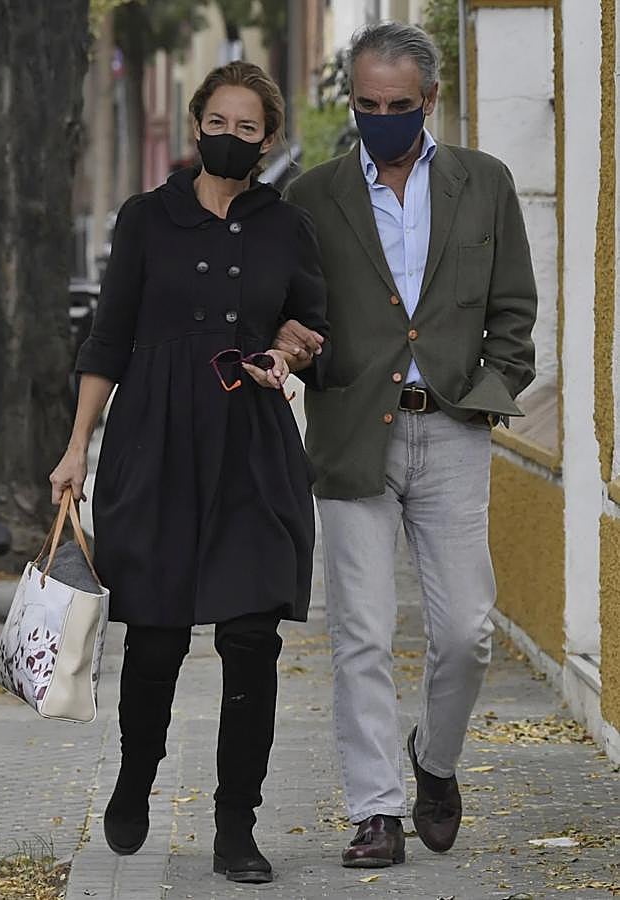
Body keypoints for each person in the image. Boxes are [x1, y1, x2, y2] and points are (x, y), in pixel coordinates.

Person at [50, 61, 329, 885]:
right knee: (157, 635)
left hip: (251, 448)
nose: (231, 138)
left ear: (268, 140)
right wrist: (76, 447)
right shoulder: (147, 218)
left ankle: (236, 825)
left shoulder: (288, 226)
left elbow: (313, 331)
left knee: (251, 640)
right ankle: (136, 775)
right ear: (196, 124)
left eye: (248, 128)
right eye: (218, 123)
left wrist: (287, 352)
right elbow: (108, 339)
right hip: (155, 442)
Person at [277, 23, 537, 868]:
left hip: (453, 428)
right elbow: (296, 311)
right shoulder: (313, 196)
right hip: (354, 434)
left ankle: (436, 761)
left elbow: (514, 308)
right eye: (366, 104)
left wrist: (489, 392)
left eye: (398, 105)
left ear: (430, 99)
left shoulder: (483, 182)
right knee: (360, 632)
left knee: (465, 633)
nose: (380, 119)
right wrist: (304, 357)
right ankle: (376, 810)